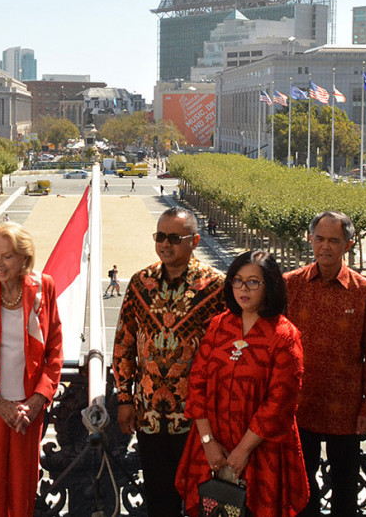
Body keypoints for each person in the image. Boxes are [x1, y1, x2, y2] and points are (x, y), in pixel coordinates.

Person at [175, 250, 309, 517]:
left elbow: (279, 401)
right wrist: (208, 441)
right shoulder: (219, 326)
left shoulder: (284, 335)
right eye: (237, 280)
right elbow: (197, 382)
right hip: (213, 451)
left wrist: (243, 450)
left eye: (253, 282)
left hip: (261, 452)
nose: (243, 288)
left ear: (269, 285)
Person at [113, 207, 226, 516]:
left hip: (199, 418)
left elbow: (227, 352)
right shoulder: (140, 283)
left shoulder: (216, 287)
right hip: (149, 415)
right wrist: (125, 398)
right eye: (160, 236)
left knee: (203, 500)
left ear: (195, 240)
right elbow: (124, 343)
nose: (165, 244)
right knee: (159, 499)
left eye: (174, 238)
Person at [284, 212, 366, 517]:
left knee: (345, 490)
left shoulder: (365, 291)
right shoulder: (291, 285)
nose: (325, 247)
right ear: (310, 240)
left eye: (333, 240)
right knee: (302, 489)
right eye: (319, 239)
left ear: (348, 245)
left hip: (346, 412)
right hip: (299, 408)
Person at [0, 222, 64, 517]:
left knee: (23, 493)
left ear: (24, 260)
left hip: (28, 410)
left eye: (7, 256)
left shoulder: (44, 287)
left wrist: (38, 399)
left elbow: (55, 349)